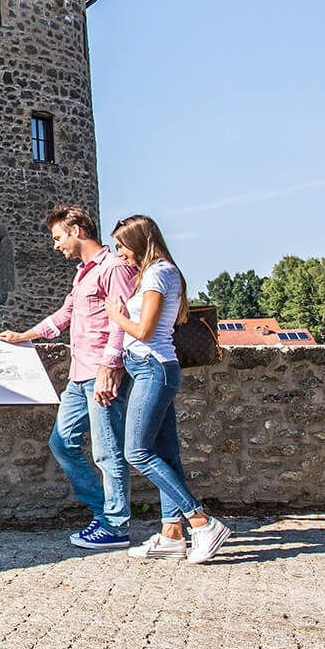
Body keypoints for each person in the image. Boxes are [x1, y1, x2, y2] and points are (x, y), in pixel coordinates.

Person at [0, 205, 138, 551]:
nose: (55, 245)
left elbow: (123, 321)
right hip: (79, 375)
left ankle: (116, 525)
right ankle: (103, 512)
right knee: (62, 443)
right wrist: (23, 336)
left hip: (102, 374)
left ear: (77, 231)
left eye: (58, 237)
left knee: (107, 452)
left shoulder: (114, 268)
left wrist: (110, 368)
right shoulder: (83, 273)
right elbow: (66, 314)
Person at [103, 214, 231, 563]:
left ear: (141, 242)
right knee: (168, 454)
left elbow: (144, 331)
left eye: (122, 247)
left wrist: (115, 316)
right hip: (151, 368)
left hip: (152, 368)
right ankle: (171, 534)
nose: (120, 254)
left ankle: (201, 522)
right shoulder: (156, 273)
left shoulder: (159, 273)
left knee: (137, 452)